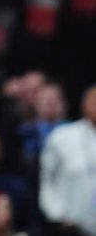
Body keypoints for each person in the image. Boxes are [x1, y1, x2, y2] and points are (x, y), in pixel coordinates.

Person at [39, 84, 96, 236]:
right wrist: (56, 214)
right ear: (84, 105)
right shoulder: (62, 137)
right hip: (71, 227)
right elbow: (47, 181)